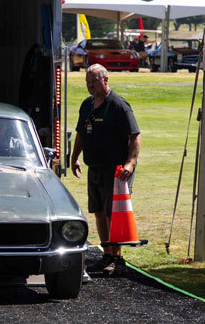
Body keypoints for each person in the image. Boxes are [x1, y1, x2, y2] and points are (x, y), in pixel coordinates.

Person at [71, 64, 141, 276]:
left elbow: (135, 136)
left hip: (116, 170)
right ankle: (106, 253)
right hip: (95, 167)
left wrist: (130, 163)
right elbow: (81, 133)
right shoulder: (87, 105)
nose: (90, 86)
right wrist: (74, 158)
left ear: (105, 79)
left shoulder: (118, 105)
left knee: (114, 213)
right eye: (87, 82)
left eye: (94, 81)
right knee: (98, 211)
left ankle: (117, 257)